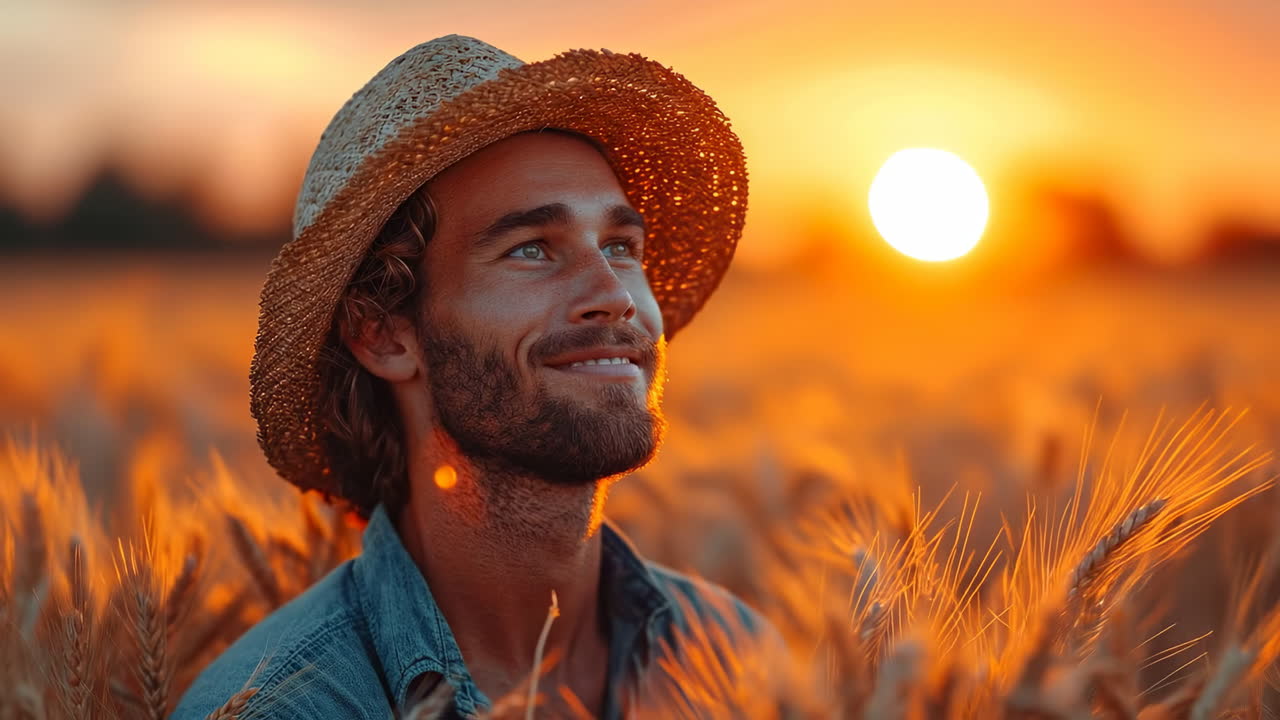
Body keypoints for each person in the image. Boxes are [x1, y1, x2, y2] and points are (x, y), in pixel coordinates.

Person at [173, 34, 769, 720]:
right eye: (532, 249)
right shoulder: (285, 708)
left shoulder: (742, 661)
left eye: (620, 246)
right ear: (385, 334)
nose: (616, 293)